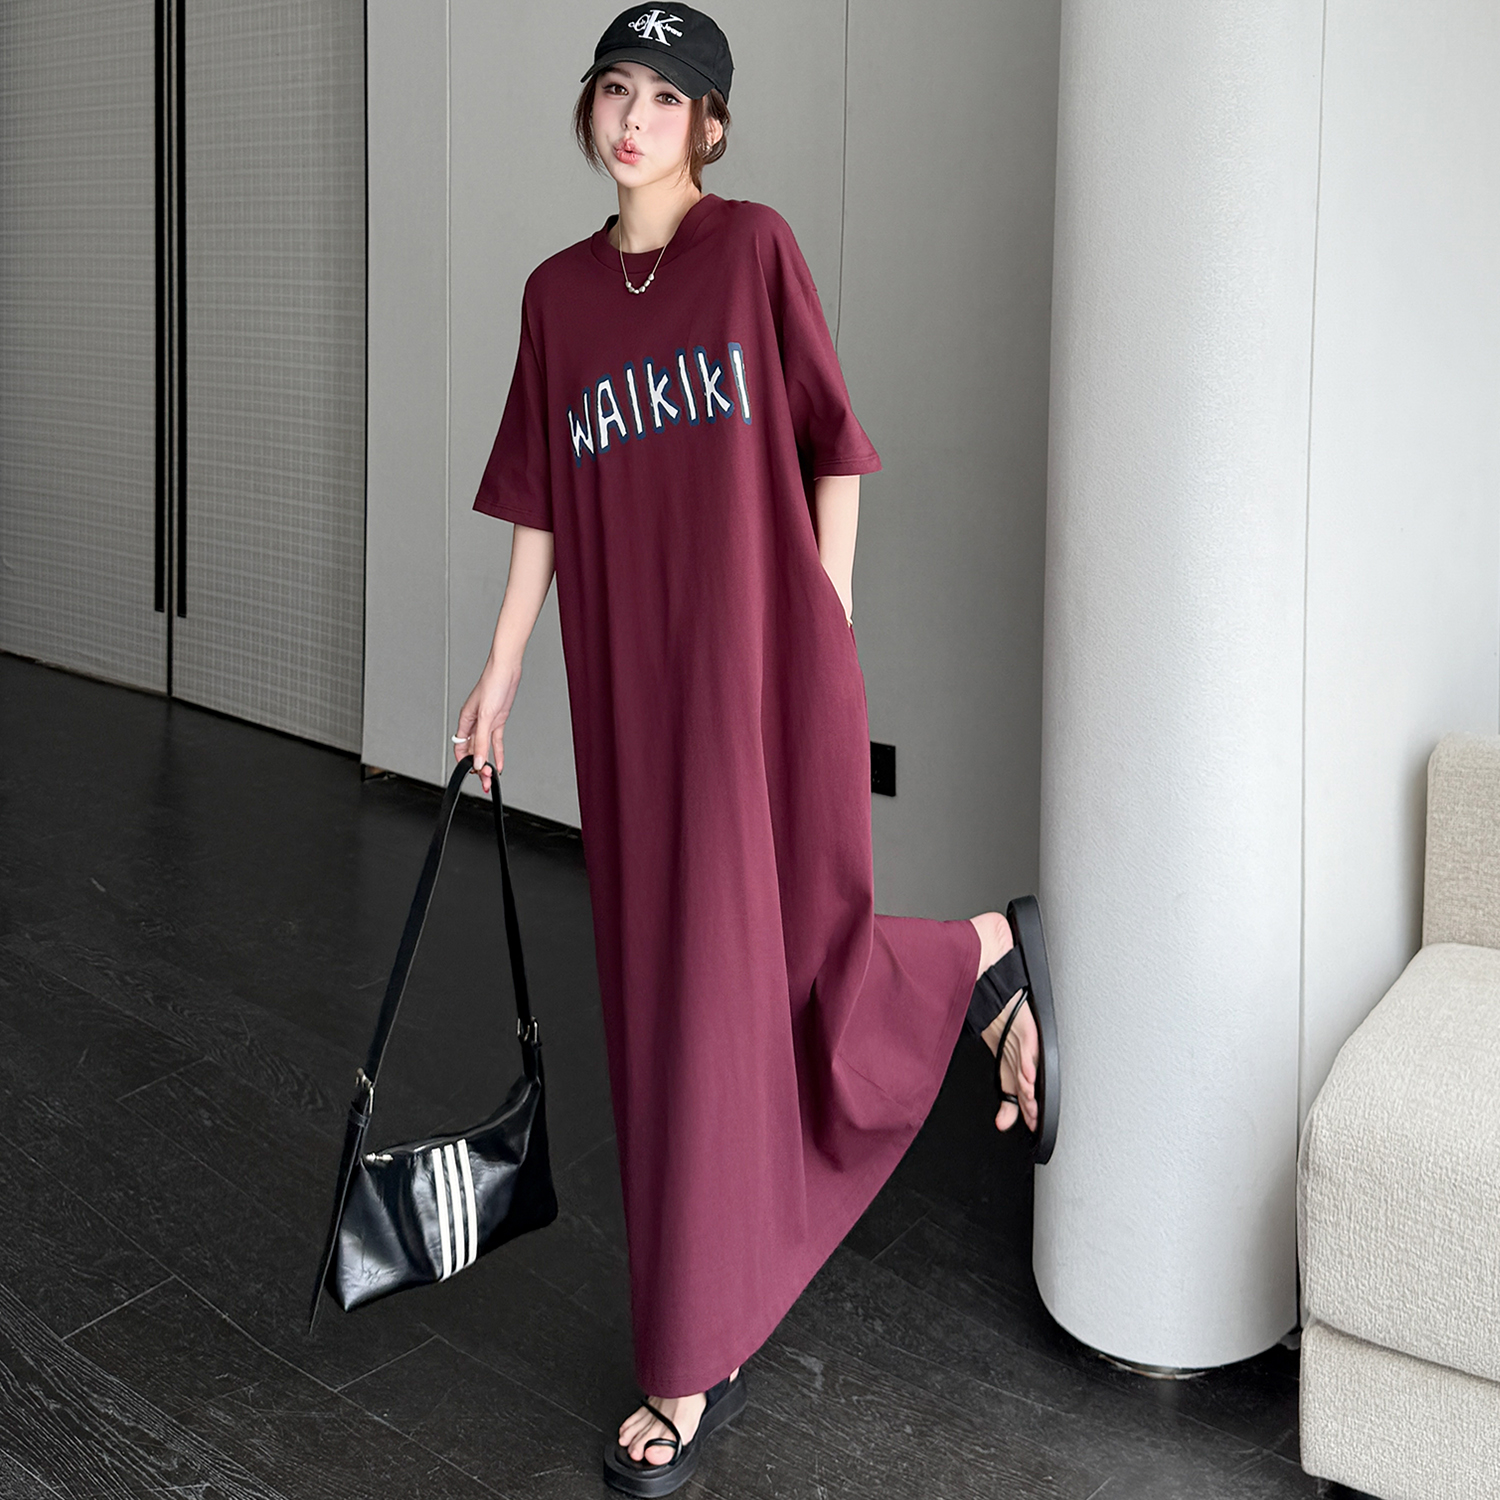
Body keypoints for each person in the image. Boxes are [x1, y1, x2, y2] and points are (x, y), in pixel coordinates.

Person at [454, 7, 1060, 1493]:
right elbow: (539, 502)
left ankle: (686, 1354)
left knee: (753, 966)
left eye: (668, 97)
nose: (636, 118)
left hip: (763, 670)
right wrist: (502, 665)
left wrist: (825, 619)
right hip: (631, 690)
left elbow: (834, 444)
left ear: (710, 124)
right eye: (618, 89)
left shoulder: (753, 252)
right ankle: (978, 955)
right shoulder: (557, 298)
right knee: (670, 990)